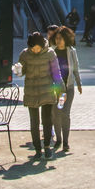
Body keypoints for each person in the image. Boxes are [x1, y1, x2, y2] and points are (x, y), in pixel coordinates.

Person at [15, 30, 63, 159]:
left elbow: (56, 73)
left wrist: (60, 89)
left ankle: (47, 146)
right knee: (34, 122)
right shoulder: (25, 54)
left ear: (42, 45)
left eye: (37, 48)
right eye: (33, 48)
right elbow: (22, 72)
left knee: (47, 120)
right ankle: (37, 149)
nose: (35, 50)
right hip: (31, 91)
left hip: (47, 91)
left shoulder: (50, 53)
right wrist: (18, 70)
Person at [49, 26, 83, 152]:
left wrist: (79, 83)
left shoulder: (71, 51)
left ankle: (66, 142)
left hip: (67, 87)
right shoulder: (51, 51)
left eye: (61, 39)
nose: (58, 41)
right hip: (56, 88)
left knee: (65, 113)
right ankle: (58, 139)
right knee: (56, 113)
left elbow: (75, 68)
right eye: (57, 38)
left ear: (66, 39)